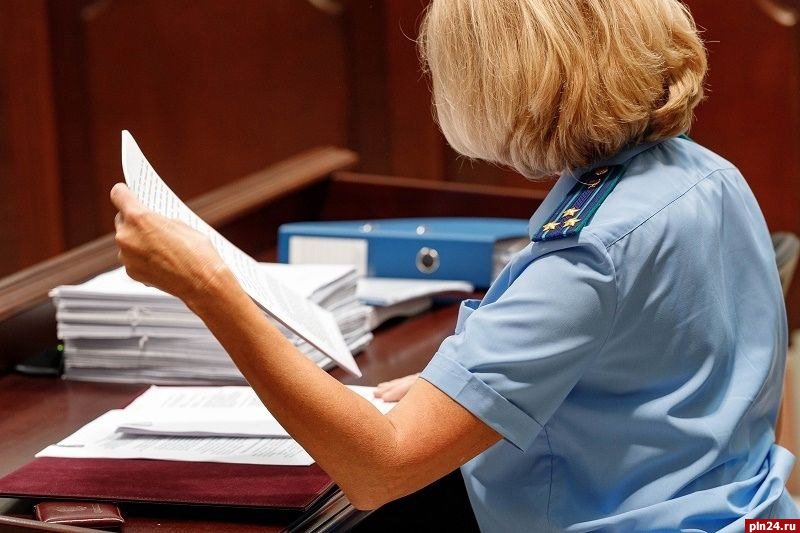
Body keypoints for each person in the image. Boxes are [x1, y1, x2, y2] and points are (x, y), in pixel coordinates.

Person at [110, 0, 800, 530]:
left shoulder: (587, 254)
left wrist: (208, 288)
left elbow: (378, 469)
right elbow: (677, 371)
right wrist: (476, 387)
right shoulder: (709, 175)